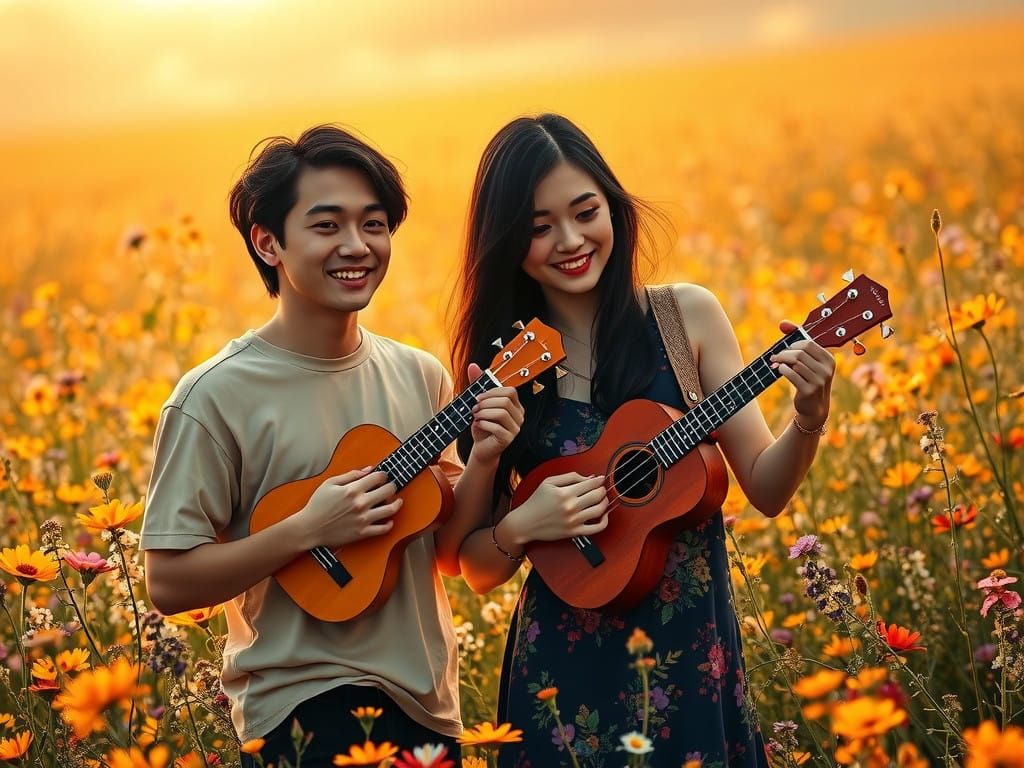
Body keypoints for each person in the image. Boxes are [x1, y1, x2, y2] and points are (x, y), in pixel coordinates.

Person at [451, 114, 836, 767]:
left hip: (690, 655)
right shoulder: (509, 364)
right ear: (508, 240)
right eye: (539, 227)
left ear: (614, 209)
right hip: (560, 675)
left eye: (585, 211)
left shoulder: (684, 319)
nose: (569, 240)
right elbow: (476, 566)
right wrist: (522, 524)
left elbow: (767, 490)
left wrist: (808, 416)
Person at [140, 125, 524, 766]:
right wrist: (306, 529)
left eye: (374, 225)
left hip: (425, 704)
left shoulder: (419, 375)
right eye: (327, 226)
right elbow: (169, 582)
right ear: (269, 243)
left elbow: (449, 550)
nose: (357, 246)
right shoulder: (212, 396)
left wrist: (484, 454)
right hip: (297, 711)